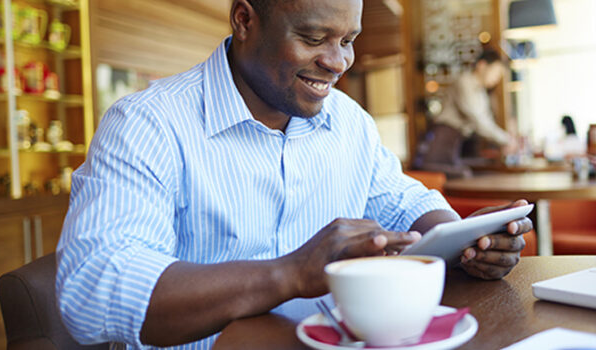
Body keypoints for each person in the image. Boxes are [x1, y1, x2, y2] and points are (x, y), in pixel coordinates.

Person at [56, 0, 532, 349]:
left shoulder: (348, 122)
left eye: (347, 41)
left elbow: (404, 202)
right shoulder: (147, 124)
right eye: (312, 38)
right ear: (245, 20)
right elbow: (92, 290)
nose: (337, 62)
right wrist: (290, 273)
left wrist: (468, 241)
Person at [413, 49, 513, 178]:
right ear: (482, 65)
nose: (496, 79)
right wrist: (505, 140)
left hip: (458, 141)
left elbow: (486, 120)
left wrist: (505, 139)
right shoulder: (464, 82)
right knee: (461, 177)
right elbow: (477, 119)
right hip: (443, 139)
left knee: (477, 173)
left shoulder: (482, 93)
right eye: (496, 73)